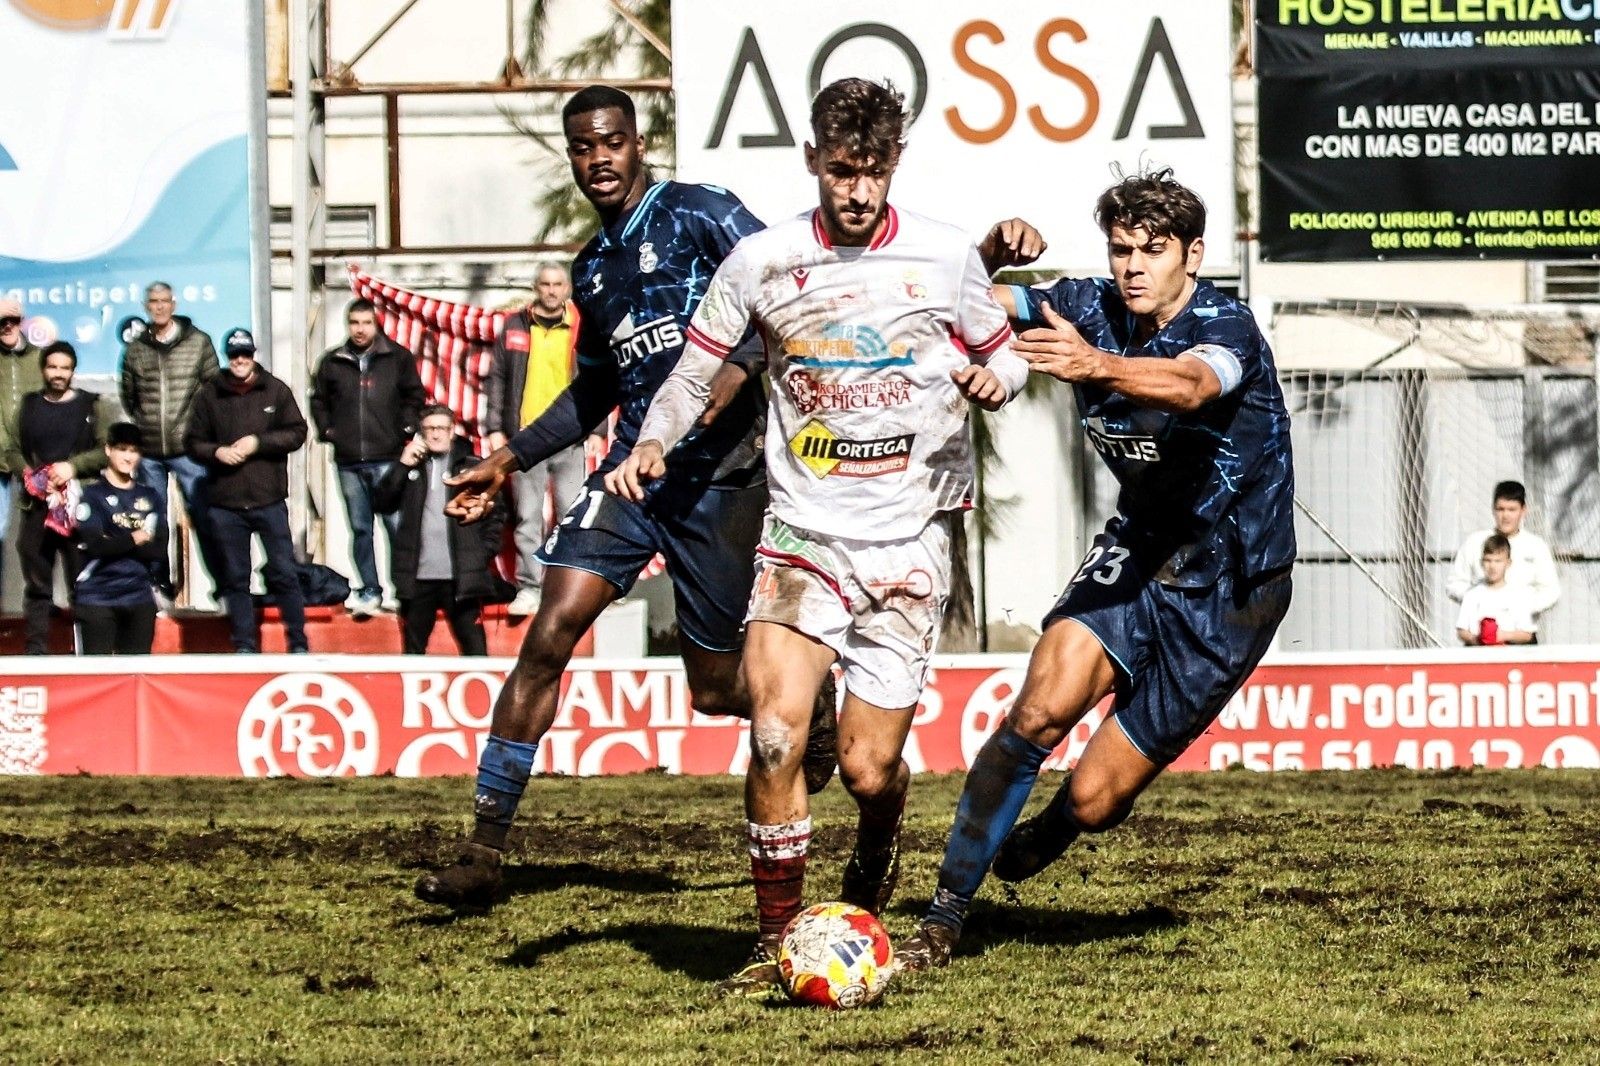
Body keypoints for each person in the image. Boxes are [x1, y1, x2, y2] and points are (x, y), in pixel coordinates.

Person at [607, 77, 1030, 997]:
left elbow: (1001, 351)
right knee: (771, 736)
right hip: (802, 539)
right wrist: (649, 441)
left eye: (874, 172)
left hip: (909, 543)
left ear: (895, 167)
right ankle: (772, 945)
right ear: (814, 162)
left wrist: (999, 382)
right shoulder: (762, 261)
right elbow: (695, 370)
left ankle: (878, 841)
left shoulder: (944, 255)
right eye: (843, 171)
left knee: (871, 770)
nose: (858, 190)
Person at [413, 83, 837, 910]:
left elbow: (782, 297)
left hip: (721, 475)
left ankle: (813, 704)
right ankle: (483, 850)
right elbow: (596, 388)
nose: (598, 158)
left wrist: (736, 376)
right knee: (550, 630)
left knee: (715, 690)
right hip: (632, 475)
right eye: (582, 147)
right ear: (570, 156)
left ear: (638, 144)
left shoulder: (699, 212)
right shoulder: (592, 268)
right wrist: (505, 458)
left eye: (611, 142)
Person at [893, 169, 1297, 972]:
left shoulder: (1227, 325)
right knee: (1038, 713)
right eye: (1122, 250)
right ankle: (944, 918)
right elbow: (968, 303)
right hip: (1139, 551)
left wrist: (1095, 367)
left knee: (1094, 796)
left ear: (1193, 254)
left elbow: (1191, 385)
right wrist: (988, 253)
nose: (1134, 266)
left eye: (1154, 251)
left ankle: (1057, 827)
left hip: (1231, 590)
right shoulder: (1085, 304)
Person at [484, 263, 605, 618]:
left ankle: (568, 588)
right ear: (535, 287)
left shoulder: (583, 327)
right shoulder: (515, 327)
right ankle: (529, 588)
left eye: (557, 285)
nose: (551, 291)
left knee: (572, 515)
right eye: (545, 284)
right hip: (525, 441)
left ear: (567, 289)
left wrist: (597, 431)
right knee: (527, 517)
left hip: (571, 438)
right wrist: (495, 427)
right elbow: (498, 379)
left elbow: (598, 381)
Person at [185, 329, 310, 654]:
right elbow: (192, 442)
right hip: (225, 504)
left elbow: (298, 433)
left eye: (245, 353)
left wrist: (259, 442)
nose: (240, 360)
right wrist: (216, 452)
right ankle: (244, 645)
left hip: (268, 500)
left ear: (254, 355)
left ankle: (298, 643)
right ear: (228, 357)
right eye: (234, 354)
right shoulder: (210, 394)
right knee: (235, 579)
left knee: (284, 573)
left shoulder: (276, 390)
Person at [311, 298, 426, 618]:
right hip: (349, 461)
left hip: (388, 457)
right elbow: (318, 401)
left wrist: (405, 428)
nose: (360, 330)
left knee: (395, 527)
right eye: (354, 323)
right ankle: (370, 590)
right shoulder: (332, 361)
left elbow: (414, 396)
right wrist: (329, 431)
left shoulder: (398, 358)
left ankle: (404, 590)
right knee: (361, 529)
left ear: (376, 325)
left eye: (366, 323)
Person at [117, 281, 225, 603]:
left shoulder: (198, 342)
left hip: (189, 450)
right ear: (146, 306)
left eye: (165, 301)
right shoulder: (135, 349)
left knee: (205, 517)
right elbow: (129, 396)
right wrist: (147, 424)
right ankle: (158, 583)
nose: (160, 307)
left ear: (174, 304)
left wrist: (199, 433)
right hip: (149, 451)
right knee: (153, 521)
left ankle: (223, 587)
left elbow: (213, 391)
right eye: (153, 302)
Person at [4, 341, 112, 653]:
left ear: (73, 371)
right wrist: (29, 475)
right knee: (37, 586)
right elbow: (11, 449)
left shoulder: (92, 406)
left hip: (79, 506)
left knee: (83, 582)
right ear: (43, 370)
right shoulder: (28, 406)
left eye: (65, 368)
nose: (58, 374)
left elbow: (106, 451)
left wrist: (72, 467)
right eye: (53, 367)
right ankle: (37, 651)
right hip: (38, 506)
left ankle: (90, 652)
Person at [373, 404, 507, 655]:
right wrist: (402, 466)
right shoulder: (411, 466)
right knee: (413, 653)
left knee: (476, 652)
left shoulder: (472, 467)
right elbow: (382, 502)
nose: (435, 434)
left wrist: (482, 553)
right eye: (429, 429)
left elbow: (496, 513)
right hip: (417, 578)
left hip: (461, 578)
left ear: (452, 431)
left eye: (441, 429)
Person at [74, 422, 166, 655]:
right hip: (98, 597)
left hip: (139, 596)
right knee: (97, 678)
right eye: (122, 449)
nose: (128, 457)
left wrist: (114, 539)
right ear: (108, 450)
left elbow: (157, 549)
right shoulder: (93, 495)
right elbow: (95, 546)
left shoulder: (150, 496)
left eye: (134, 451)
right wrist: (135, 538)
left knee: (136, 676)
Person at [1445, 480, 1559, 634]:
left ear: (1523, 510)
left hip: (1521, 635)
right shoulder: (1475, 542)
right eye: (1500, 509)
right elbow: (1454, 584)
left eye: (1512, 509)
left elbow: (1551, 591)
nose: (1505, 515)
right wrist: (1482, 603)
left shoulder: (1536, 546)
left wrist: (1520, 607)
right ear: (1493, 510)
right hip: (1481, 635)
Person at [0, 298, 40, 575]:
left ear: (21, 321)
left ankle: (42, 597)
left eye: (11, 320)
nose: (5, 327)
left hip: (34, 458)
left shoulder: (40, 358)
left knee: (39, 532)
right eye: (0, 322)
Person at [1455, 533, 1535, 646]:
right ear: (1481, 562)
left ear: (1508, 563)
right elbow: (1461, 630)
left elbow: (1527, 634)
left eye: (1498, 561)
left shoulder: (1517, 595)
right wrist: (1478, 639)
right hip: (1478, 655)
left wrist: (1502, 636)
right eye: (1488, 560)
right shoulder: (1472, 594)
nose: (1492, 566)